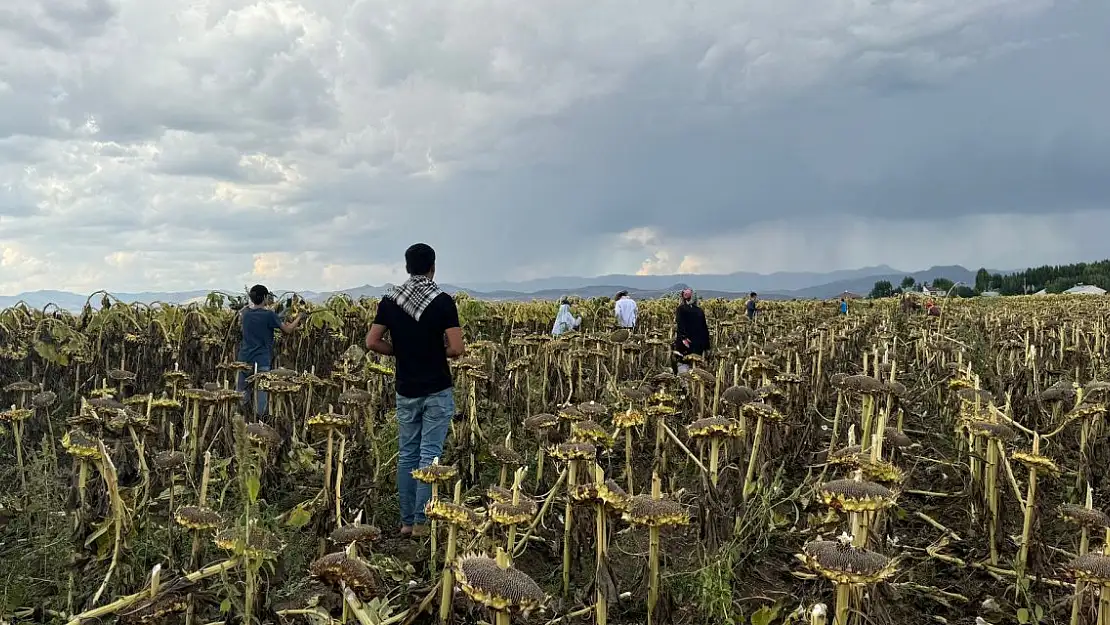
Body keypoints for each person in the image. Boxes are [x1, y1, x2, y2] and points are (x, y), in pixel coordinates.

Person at [365, 243, 465, 538]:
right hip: (436, 387)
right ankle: (423, 522)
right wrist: (434, 351)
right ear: (433, 267)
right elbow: (457, 348)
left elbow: (372, 342)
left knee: (407, 452)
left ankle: (407, 522)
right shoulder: (443, 301)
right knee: (430, 454)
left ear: (407, 267)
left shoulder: (390, 300)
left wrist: (400, 352)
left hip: (406, 388)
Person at [236, 284, 303, 418]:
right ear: (265, 297)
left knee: (241, 398)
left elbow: (259, 317)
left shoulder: (246, 314)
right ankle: (260, 425)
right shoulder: (269, 315)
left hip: (244, 360)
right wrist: (299, 317)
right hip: (261, 361)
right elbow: (287, 330)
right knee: (261, 399)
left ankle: (240, 425)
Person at [672, 288, 711, 374]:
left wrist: (683, 338)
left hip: (685, 343)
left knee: (683, 364)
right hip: (699, 344)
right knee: (696, 367)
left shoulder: (680, 309)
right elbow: (704, 329)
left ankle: (683, 383)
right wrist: (707, 346)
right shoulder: (700, 311)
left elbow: (680, 325)